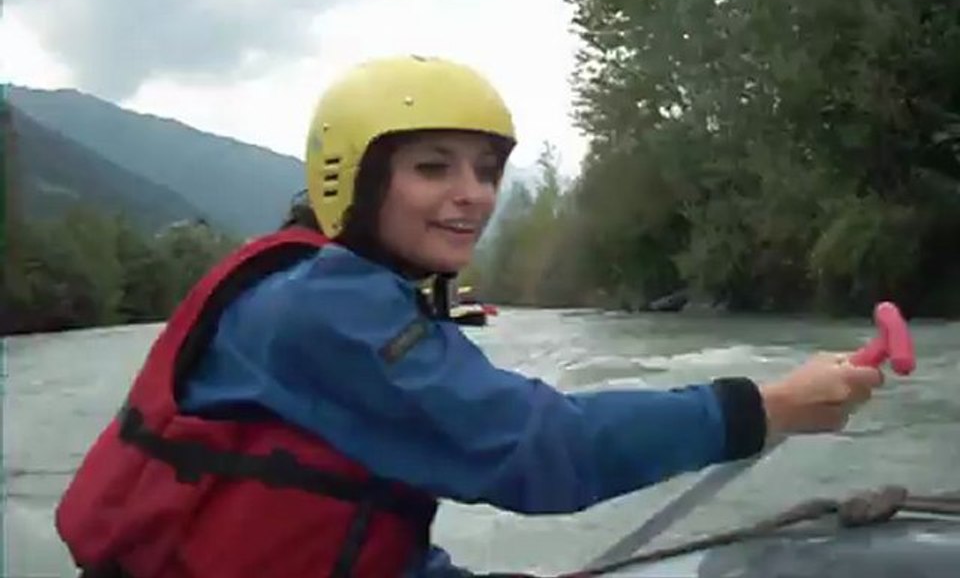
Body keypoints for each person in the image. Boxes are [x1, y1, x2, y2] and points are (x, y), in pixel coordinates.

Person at [55, 55, 884, 578]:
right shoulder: (317, 309)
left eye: (486, 170)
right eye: (431, 167)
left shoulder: (347, 290)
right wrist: (766, 408)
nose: (473, 195)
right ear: (355, 179)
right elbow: (536, 451)